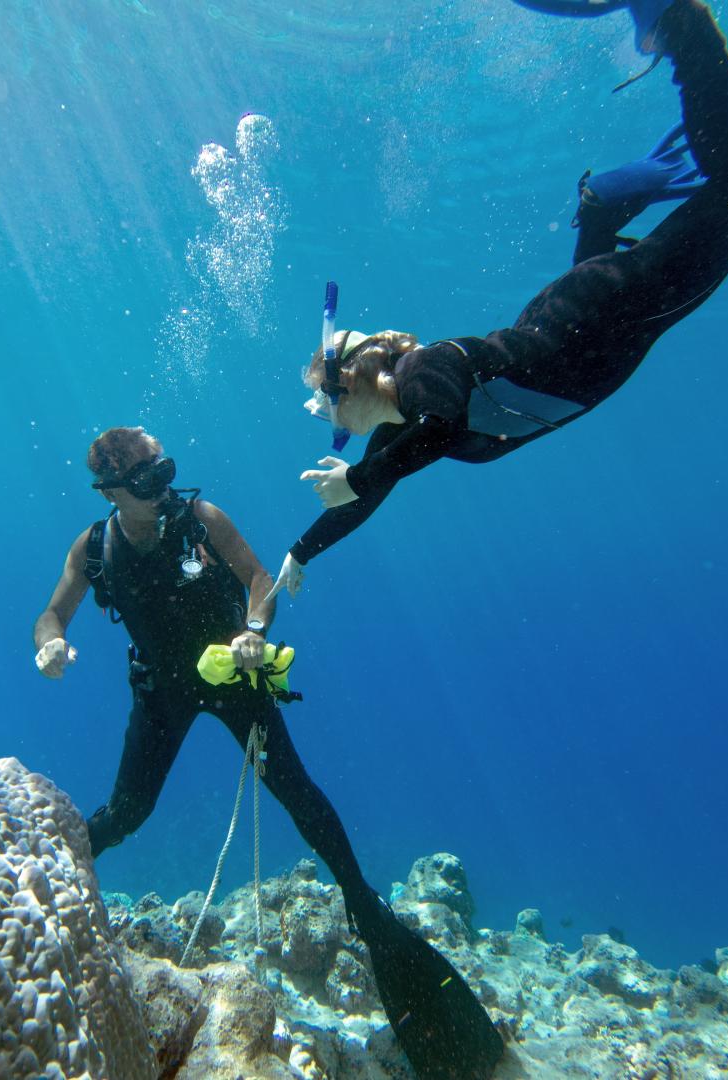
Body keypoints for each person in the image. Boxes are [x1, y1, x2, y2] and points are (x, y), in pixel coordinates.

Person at [268, 0, 728, 600]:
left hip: (613, 311)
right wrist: (300, 551)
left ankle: (677, 21)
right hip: (590, 318)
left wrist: (359, 477)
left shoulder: (425, 372)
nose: (325, 415)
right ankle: (599, 211)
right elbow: (370, 492)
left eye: (327, 399)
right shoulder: (399, 432)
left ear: (356, 380)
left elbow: (435, 431)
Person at [32, 426, 504, 1080]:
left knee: (295, 791)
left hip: (235, 677)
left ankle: (365, 906)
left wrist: (254, 629)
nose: (163, 487)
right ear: (110, 491)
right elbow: (52, 613)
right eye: (146, 480)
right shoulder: (94, 548)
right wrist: (49, 645)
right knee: (128, 812)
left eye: (165, 470)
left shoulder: (201, 519)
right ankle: (47, 883)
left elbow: (257, 579)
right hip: (162, 694)